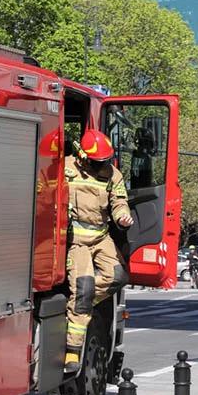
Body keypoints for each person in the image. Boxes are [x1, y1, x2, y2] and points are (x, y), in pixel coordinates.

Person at [64, 129, 133, 374]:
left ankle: (78, 307)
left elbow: (119, 201)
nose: (103, 165)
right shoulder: (66, 168)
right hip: (76, 241)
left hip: (100, 236)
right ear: (83, 155)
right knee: (84, 287)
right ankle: (72, 351)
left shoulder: (113, 174)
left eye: (105, 161)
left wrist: (122, 215)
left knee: (118, 276)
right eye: (98, 161)